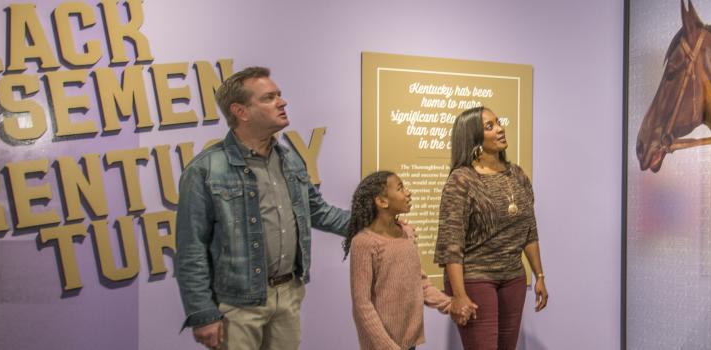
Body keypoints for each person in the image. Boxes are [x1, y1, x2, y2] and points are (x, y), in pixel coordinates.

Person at [175, 66, 351, 350]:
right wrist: (202, 313)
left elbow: (318, 211)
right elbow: (191, 247)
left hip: (289, 295)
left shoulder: (290, 160)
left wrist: (377, 222)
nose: (282, 102)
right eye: (269, 98)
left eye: (279, 95)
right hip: (238, 304)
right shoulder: (205, 169)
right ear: (241, 112)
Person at [435, 106, 549, 350]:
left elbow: (529, 228)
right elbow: (451, 244)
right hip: (476, 278)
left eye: (499, 122)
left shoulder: (517, 175)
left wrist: (539, 275)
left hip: (513, 278)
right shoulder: (462, 180)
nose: (500, 129)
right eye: (490, 126)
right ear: (474, 137)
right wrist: (458, 294)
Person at [345, 171, 453, 350]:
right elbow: (362, 304)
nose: (408, 193)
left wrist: (450, 304)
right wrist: (388, 346)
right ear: (382, 201)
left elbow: (420, 283)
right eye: (400, 188)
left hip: (409, 342)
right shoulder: (364, 243)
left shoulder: (407, 233)